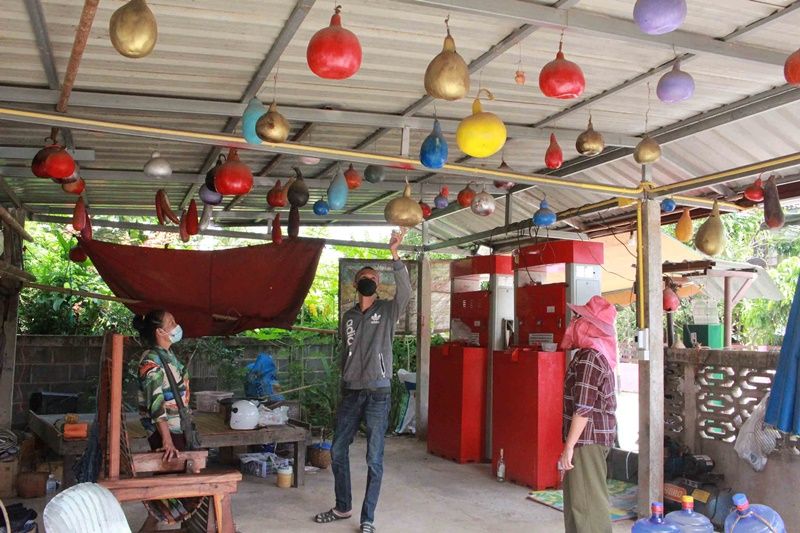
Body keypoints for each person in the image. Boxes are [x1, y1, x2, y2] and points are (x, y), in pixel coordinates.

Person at [315, 229, 411, 533]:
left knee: (374, 458)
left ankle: (368, 518)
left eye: (373, 277)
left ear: (377, 285)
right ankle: (343, 506)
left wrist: (395, 255)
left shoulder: (388, 311)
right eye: (364, 277)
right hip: (351, 392)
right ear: (356, 284)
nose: (369, 280)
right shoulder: (348, 317)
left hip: (378, 393)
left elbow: (406, 292)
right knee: (337, 451)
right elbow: (346, 351)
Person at [557, 295, 618, 533]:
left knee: (587, 508)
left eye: (579, 318)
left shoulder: (590, 358)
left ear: (590, 326)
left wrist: (569, 447)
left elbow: (583, 408)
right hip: (590, 439)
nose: (574, 322)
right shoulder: (592, 355)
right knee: (578, 503)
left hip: (587, 440)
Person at [132, 309, 197, 530]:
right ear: (160, 331)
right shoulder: (151, 361)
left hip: (178, 427)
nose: (176, 325)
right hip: (166, 432)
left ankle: (163, 523)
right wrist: (167, 441)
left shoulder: (168, 355)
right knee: (170, 481)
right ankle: (153, 523)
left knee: (175, 480)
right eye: (171, 322)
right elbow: (156, 403)